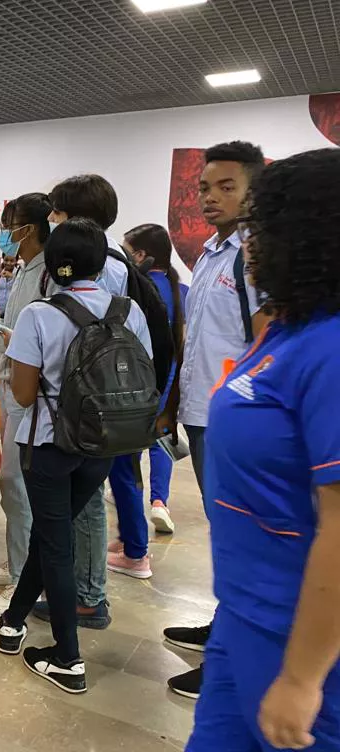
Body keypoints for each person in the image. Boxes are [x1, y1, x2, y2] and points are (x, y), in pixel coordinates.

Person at [186, 148, 340, 751]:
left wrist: (303, 678)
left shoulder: (329, 347)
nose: (249, 244)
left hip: (303, 640)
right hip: (242, 616)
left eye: (262, 228)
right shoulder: (285, 327)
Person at [0, 217, 152, 694]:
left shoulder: (39, 315)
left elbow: (23, 396)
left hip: (48, 445)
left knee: (56, 545)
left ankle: (67, 658)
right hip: (103, 445)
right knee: (52, 532)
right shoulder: (128, 312)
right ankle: (15, 620)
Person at [161, 141, 267, 700]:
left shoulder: (260, 255)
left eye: (226, 187)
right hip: (203, 413)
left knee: (242, 538)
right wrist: (174, 403)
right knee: (223, 535)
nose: (210, 197)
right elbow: (197, 340)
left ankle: (234, 659)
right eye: (204, 187)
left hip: (238, 418)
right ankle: (222, 627)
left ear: (254, 189)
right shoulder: (209, 254)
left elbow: (270, 340)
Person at [32, 174, 129, 631]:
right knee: (81, 502)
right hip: (88, 402)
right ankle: (74, 586)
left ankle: (88, 595)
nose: (51, 218)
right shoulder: (105, 262)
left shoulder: (103, 266)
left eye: (58, 210)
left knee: (88, 504)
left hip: (84, 408)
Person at [0, 193, 53, 617]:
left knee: (19, 486)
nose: (4, 232)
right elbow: (18, 331)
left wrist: (3, 336)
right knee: (12, 485)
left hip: (27, 393)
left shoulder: (47, 275)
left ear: (29, 229)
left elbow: (39, 339)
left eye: (10, 224)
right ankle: (19, 562)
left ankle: (26, 580)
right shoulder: (22, 271)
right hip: (9, 383)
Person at [107, 224, 189, 579]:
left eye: (127, 251)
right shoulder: (180, 291)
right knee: (147, 457)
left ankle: (136, 552)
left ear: (139, 256)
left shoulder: (134, 291)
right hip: (165, 391)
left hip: (133, 394)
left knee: (123, 471)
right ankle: (149, 514)